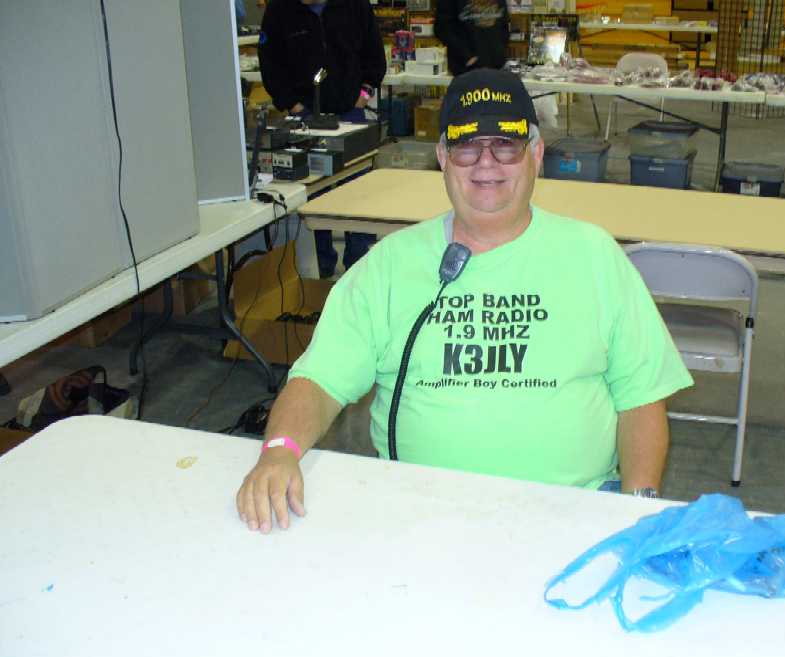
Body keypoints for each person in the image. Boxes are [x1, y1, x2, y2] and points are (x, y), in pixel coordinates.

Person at [236, 69, 693, 533]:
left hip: (575, 514)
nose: (485, 164)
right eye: (466, 146)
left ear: (536, 154)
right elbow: (318, 381)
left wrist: (639, 510)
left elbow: (641, 399)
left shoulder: (594, 256)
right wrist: (279, 453)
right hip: (421, 515)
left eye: (506, 144)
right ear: (442, 158)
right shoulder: (389, 265)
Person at [258, 0, 386, 277]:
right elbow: (270, 64)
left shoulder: (355, 5)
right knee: (313, 195)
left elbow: (374, 57)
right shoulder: (280, 9)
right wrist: (292, 105)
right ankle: (321, 267)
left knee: (359, 191)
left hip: (351, 113)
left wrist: (363, 96)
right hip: (305, 118)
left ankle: (359, 267)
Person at [435, 0, 510, 77]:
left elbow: (504, 25)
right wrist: (466, 56)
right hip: (466, 69)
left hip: (496, 66)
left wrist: (500, 52)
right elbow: (442, 29)